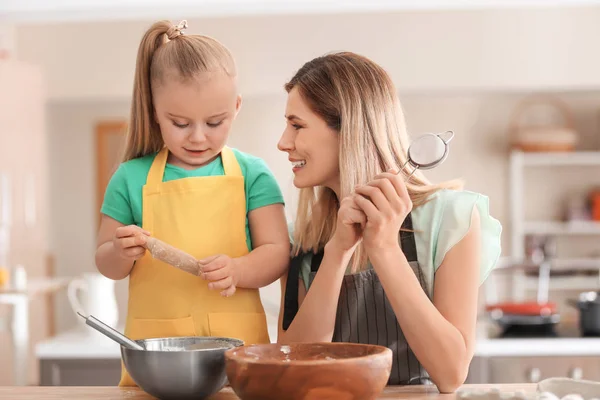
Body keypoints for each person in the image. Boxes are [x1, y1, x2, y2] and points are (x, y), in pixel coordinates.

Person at [277, 52, 501, 393]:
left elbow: (451, 372)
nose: (283, 142)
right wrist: (337, 251)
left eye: (297, 125)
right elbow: (292, 369)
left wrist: (383, 246)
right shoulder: (303, 239)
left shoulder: (452, 219)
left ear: (349, 130)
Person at [94, 20, 290, 386]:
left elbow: (278, 252)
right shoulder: (130, 177)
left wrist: (239, 270)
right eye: (180, 123)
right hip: (156, 361)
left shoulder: (253, 174)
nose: (199, 137)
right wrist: (121, 252)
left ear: (236, 106)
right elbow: (106, 263)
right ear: (154, 110)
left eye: (216, 122)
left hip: (240, 358)